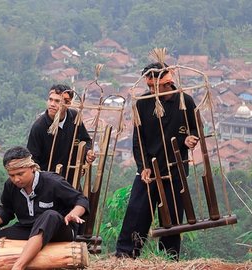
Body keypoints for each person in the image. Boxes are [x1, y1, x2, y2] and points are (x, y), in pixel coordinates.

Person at [115, 62, 199, 260]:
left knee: (172, 219)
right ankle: (125, 255)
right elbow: (138, 140)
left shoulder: (185, 101)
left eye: (155, 87)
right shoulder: (143, 103)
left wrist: (189, 139)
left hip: (175, 170)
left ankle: (169, 259)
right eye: (149, 87)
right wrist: (143, 166)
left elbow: (194, 129)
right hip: (149, 170)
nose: (152, 90)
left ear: (167, 83)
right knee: (136, 212)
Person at [0, 146, 89, 270]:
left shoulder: (53, 182)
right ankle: (34, 252)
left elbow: (81, 200)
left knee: (50, 215)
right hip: (29, 229)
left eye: (20, 174)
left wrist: (74, 213)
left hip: (58, 230)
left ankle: (19, 266)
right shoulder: (10, 186)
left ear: (32, 168)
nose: (16, 179)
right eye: (12, 175)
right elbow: (6, 210)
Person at [26, 84, 95, 186]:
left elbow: (85, 140)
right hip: (48, 183)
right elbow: (32, 159)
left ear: (68, 103)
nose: (52, 104)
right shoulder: (39, 127)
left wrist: (88, 153)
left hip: (71, 181)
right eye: (50, 99)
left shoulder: (74, 117)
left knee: (82, 201)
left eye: (57, 101)